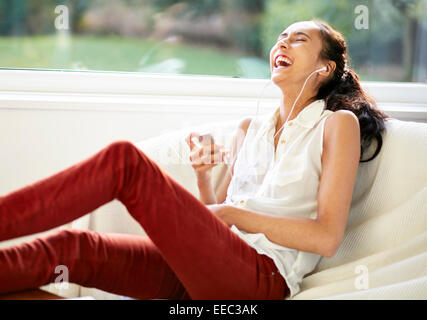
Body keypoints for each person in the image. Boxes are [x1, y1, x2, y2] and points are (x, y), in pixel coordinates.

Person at [0, 19, 389, 300]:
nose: (282, 44)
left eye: (298, 40)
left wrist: (235, 216)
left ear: (325, 67)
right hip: (209, 270)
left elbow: (326, 237)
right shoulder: (248, 128)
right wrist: (205, 181)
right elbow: (211, 222)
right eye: (280, 38)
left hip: (259, 278)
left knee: (125, 162)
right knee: (75, 248)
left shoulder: (337, 125)